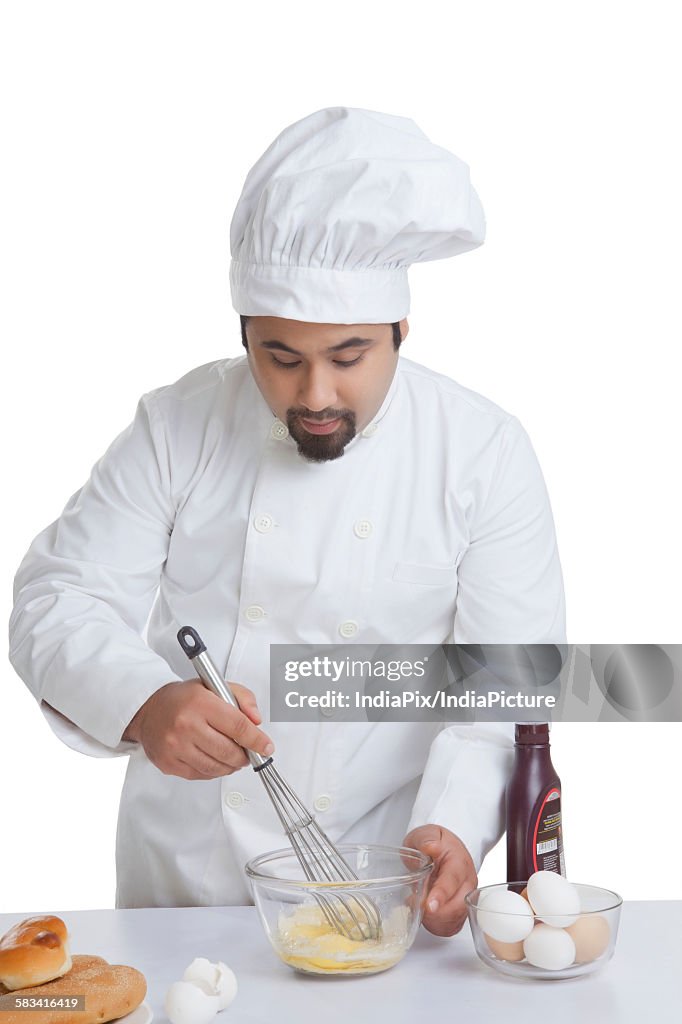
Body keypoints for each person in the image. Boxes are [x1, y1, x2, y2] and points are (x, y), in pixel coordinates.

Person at [9, 107, 565, 935]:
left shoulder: (482, 452)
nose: (314, 396)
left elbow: (506, 691)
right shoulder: (178, 426)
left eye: (348, 357)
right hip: (185, 896)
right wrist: (143, 701)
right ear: (244, 334)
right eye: (280, 357)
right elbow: (57, 598)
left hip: (379, 883)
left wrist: (452, 826)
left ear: (400, 330)